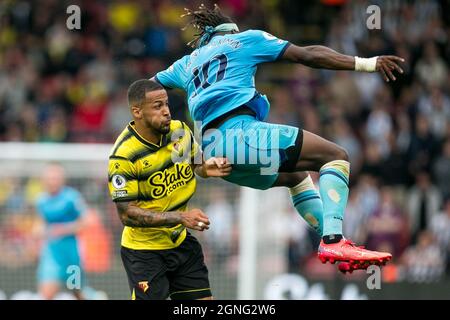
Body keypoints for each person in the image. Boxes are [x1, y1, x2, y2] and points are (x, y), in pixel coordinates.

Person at [151, 4, 405, 271]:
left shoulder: (186, 64)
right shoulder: (245, 39)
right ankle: (333, 240)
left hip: (215, 159)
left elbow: (146, 89)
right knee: (335, 156)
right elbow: (309, 55)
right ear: (230, 30)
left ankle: (334, 246)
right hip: (241, 137)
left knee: (296, 176)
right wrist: (368, 63)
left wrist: (181, 144)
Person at [108, 79, 231, 300]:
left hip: (180, 241)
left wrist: (206, 167)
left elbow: (196, 165)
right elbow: (127, 215)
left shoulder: (179, 131)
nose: (166, 112)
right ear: (137, 111)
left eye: (166, 104)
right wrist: (181, 217)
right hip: (144, 253)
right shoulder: (124, 155)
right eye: (157, 106)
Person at [35, 163, 88, 299]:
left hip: (71, 253)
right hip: (52, 253)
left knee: (76, 291)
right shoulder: (41, 200)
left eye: (56, 177)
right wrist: (38, 231)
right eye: (50, 177)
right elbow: (40, 224)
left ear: (62, 179)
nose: (52, 181)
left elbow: (85, 222)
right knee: (46, 294)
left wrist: (62, 230)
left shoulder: (72, 198)